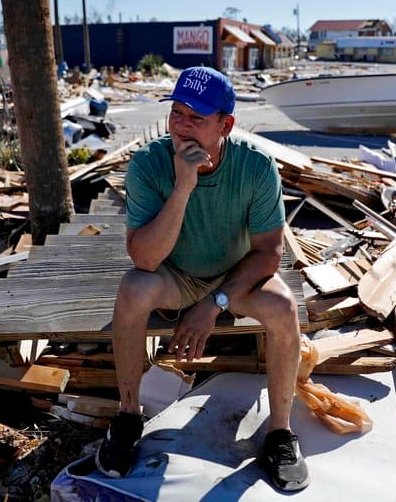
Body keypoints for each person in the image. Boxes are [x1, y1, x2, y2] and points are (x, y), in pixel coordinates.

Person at [95, 66, 310, 492]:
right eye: (177, 113)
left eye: (197, 118)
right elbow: (143, 257)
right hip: (176, 275)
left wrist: (215, 305)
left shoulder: (256, 166)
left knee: (284, 307)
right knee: (132, 289)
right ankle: (127, 415)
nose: (182, 126)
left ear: (226, 124)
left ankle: (280, 433)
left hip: (236, 276)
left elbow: (269, 251)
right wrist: (182, 187)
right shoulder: (149, 164)